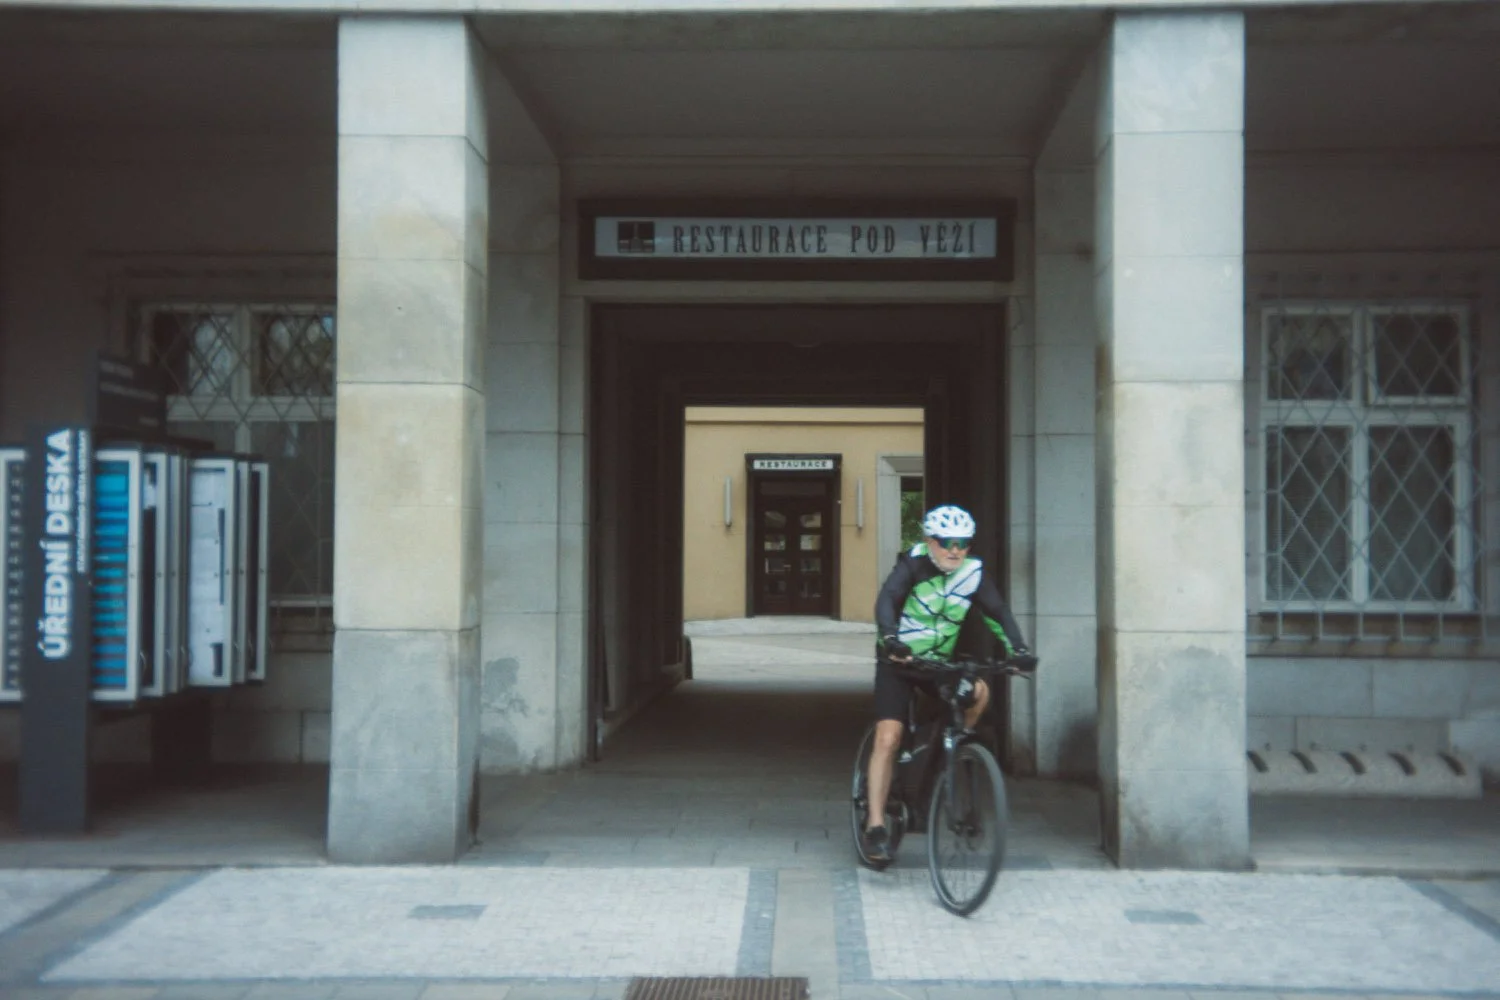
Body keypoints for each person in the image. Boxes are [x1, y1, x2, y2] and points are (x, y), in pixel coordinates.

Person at [860, 503, 1032, 866]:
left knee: (979, 691)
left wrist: (1018, 650)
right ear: (930, 541)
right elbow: (887, 601)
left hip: (938, 663)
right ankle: (875, 825)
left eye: (963, 543)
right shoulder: (913, 565)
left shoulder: (972, 573)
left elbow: (997, 613)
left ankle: (948, 753)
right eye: (946, 542)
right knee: (889, 737)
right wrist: (890, 639)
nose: (955, 550)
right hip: (899, 661)